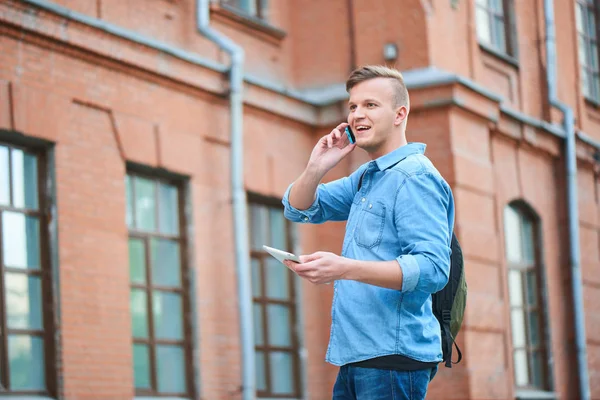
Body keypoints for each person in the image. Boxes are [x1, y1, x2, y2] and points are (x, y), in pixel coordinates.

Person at [281, 65, 455, 400]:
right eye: (353, 106)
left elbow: (433, 269)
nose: (357, 114)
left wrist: (343, 268)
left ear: (399, 114)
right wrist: (317, 167)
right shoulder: (368, 177)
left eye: (371, 105)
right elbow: (299, 208)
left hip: (392, 360)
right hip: (356, 357)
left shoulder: (414, 177)